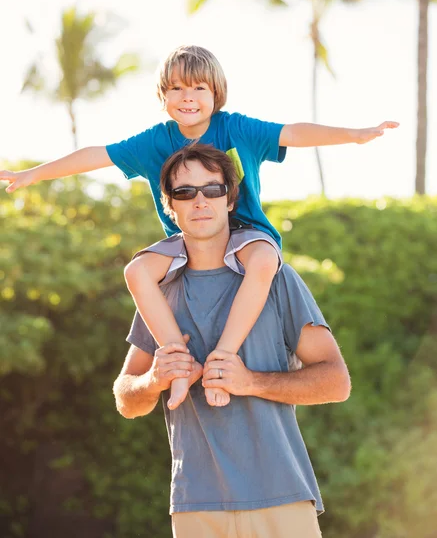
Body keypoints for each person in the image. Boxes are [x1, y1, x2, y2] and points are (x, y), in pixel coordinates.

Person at [0, 44, 393, 410]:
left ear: (216, 94)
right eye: (176, 88)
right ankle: (181, 365)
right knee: (137, 270)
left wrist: (355, 136)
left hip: (247, 234)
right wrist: (33, 174)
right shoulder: (155, 141)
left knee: (263, 264)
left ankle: (222, 362)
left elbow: (294, 132)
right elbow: (95, 155)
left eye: (198, 87)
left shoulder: (237, 128)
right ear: (163, 96)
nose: (187, 97)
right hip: (187, 242)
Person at [113, 143, 351, 538]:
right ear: (169, 205)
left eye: (212, 189)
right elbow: (126, 398)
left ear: (230, 199)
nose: (200, 201)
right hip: (195, 503)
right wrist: (153, 380)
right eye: (185, 192)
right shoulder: (159, 292)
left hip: (282, 495)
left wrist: (251, 382)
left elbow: (336, 382)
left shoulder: (277, 280)